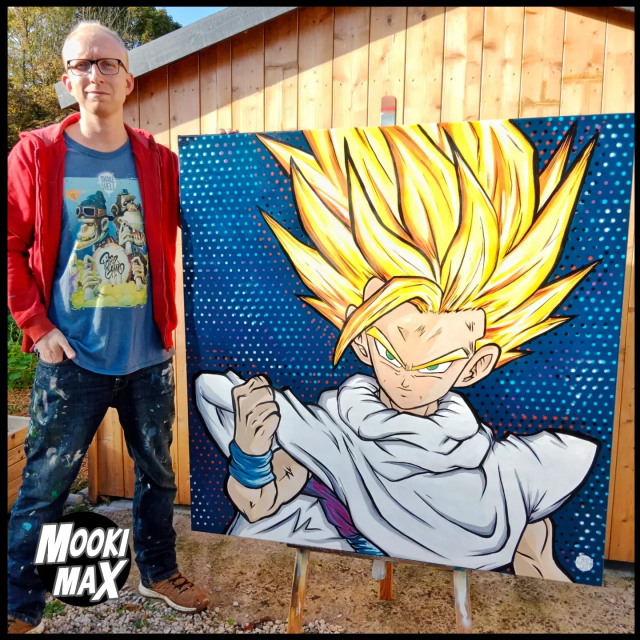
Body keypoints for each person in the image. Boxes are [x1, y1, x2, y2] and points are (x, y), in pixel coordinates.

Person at [195, 121, 600, 582]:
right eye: (391, 355)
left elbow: (542, 574)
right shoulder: (329, 437)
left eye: (434, 365)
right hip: (342, 581)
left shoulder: (506, 478)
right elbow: (258, 505)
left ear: (475, 367)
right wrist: (250, 453)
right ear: (363, 340)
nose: (406, 378)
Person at [7, 20, 236, 633]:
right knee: (45, 484)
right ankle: (20, 605)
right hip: (71, 359)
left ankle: (159, 573)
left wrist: (244, 164)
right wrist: (37, 327)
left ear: (130, 80)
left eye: (109, 63)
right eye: (83, 64)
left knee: (158, 475)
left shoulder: (158, 162)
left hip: (147, 357)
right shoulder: (36, 156)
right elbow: (9, 246)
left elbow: (215, 213)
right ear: (67, 80)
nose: (97, 75)